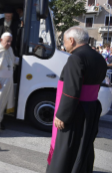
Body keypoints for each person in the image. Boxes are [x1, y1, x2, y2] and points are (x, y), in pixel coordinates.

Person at [46, 26, 107, 173]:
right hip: (91, 108)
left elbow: (72, 90)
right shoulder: (99, 57)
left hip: (76, 110)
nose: (64, 44)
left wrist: (62, 115)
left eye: (64, 41)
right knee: (84, 144)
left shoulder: (76, 58)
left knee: (67, 146)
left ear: (71, 40)